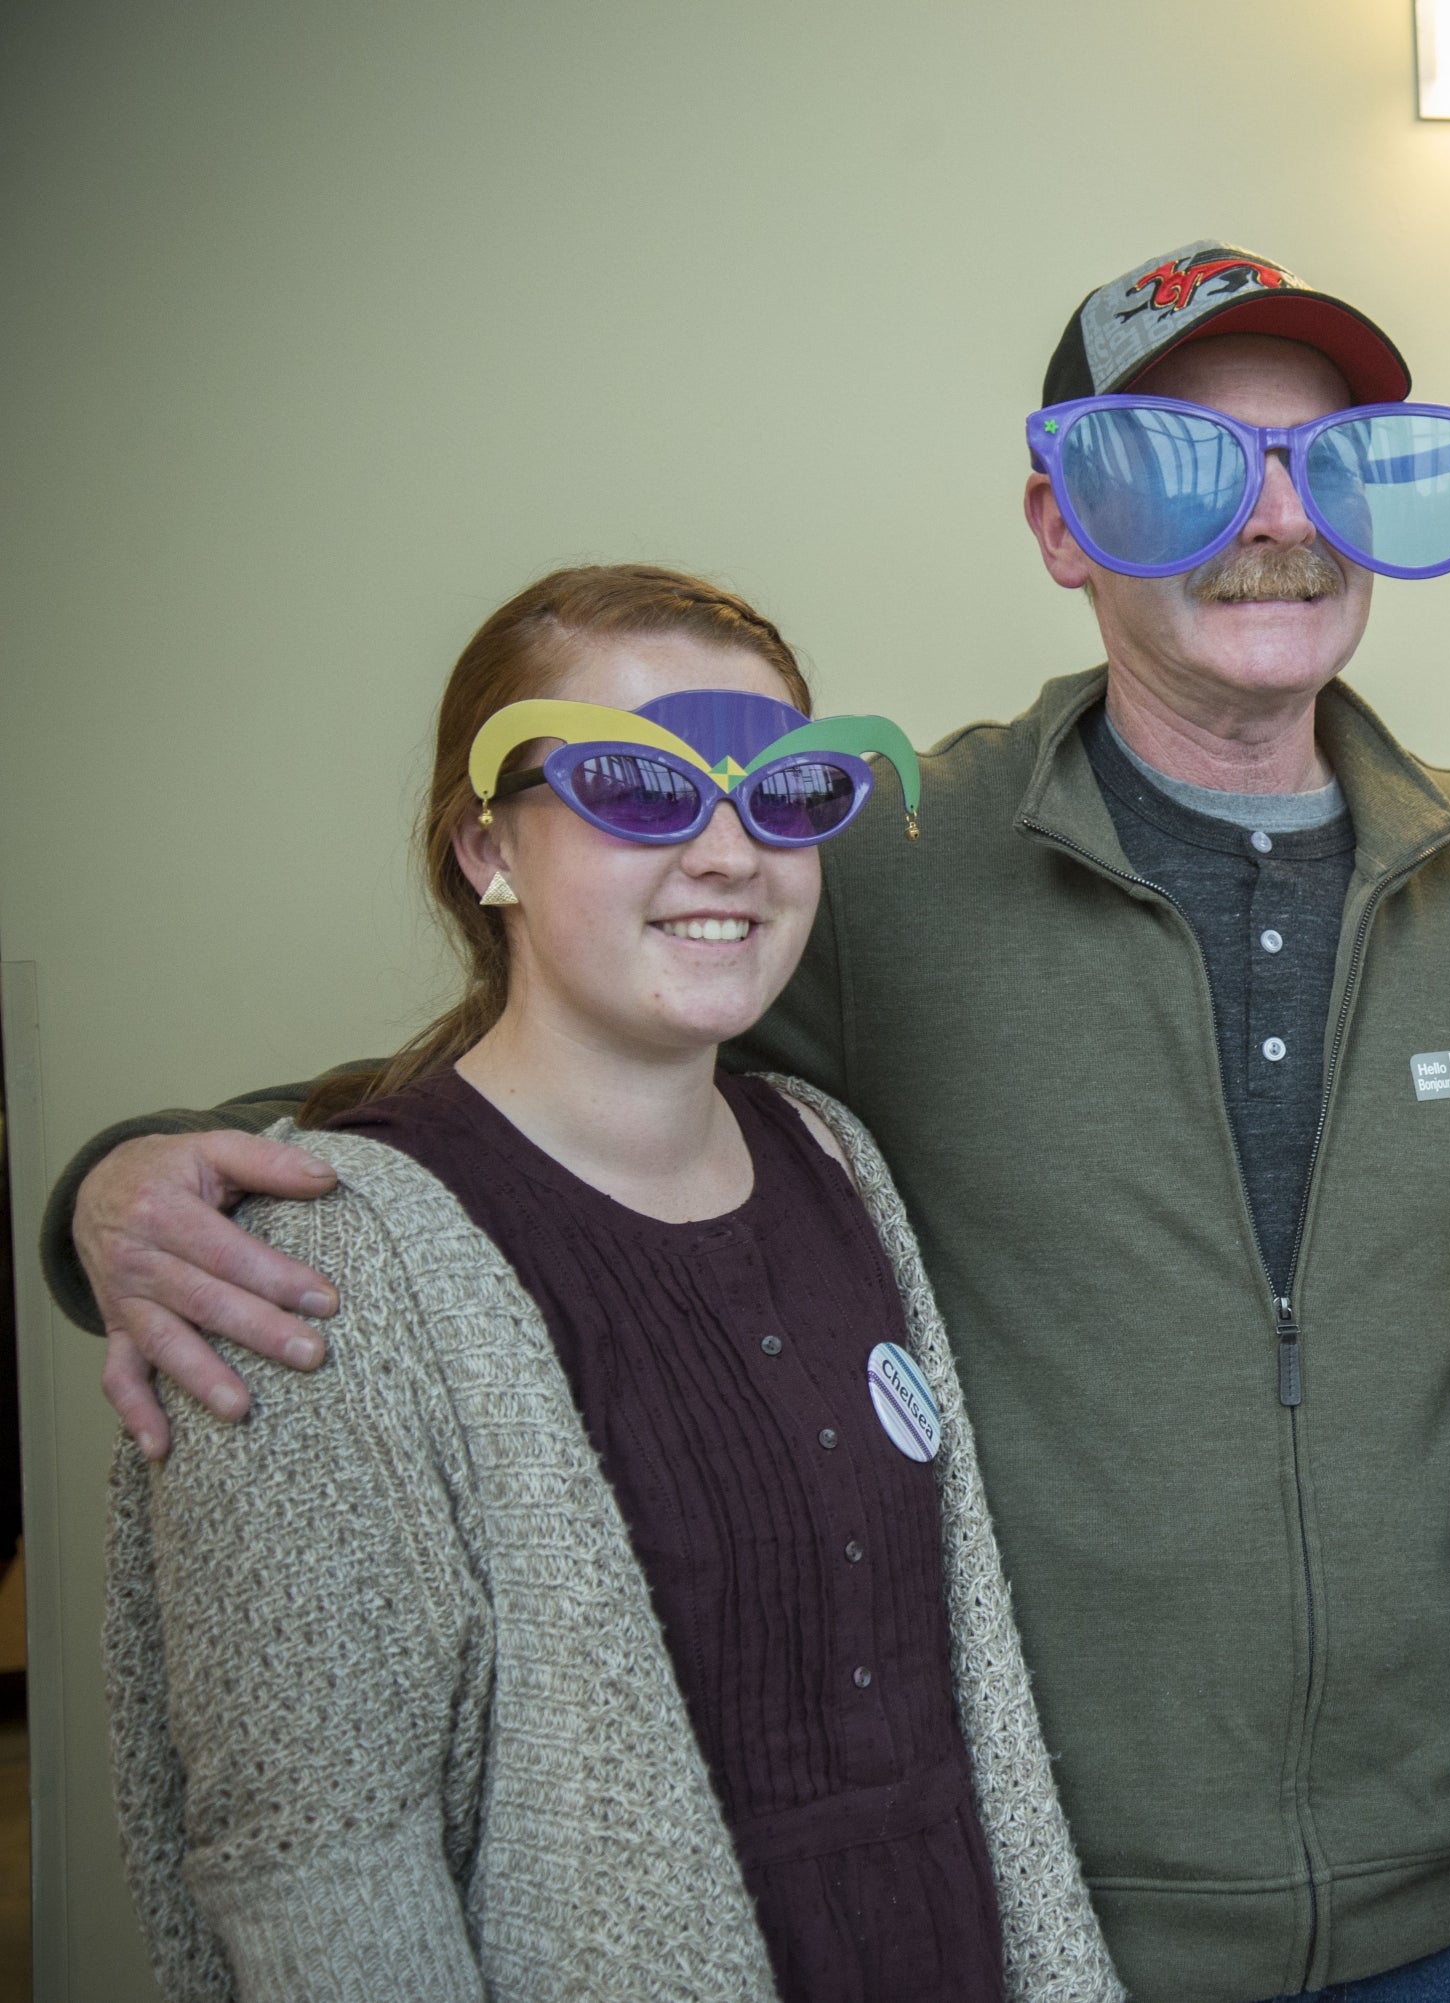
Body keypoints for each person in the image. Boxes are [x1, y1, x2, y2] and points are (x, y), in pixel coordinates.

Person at [51, 244, 1450, 2003]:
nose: (1270, 518)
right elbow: (574, 1049)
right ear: (1065, 521)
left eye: (1321, 466)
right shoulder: (884, 863)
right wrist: (124, 1181)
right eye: (1183, 460)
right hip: (1062, 1918)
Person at [103, 566, 1119, 2003]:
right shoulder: (312, 1263)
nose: (728, 853)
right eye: (641, 789)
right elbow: (314, 1863)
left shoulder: (837, 1160)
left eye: (784, 794)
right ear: (484, 848)